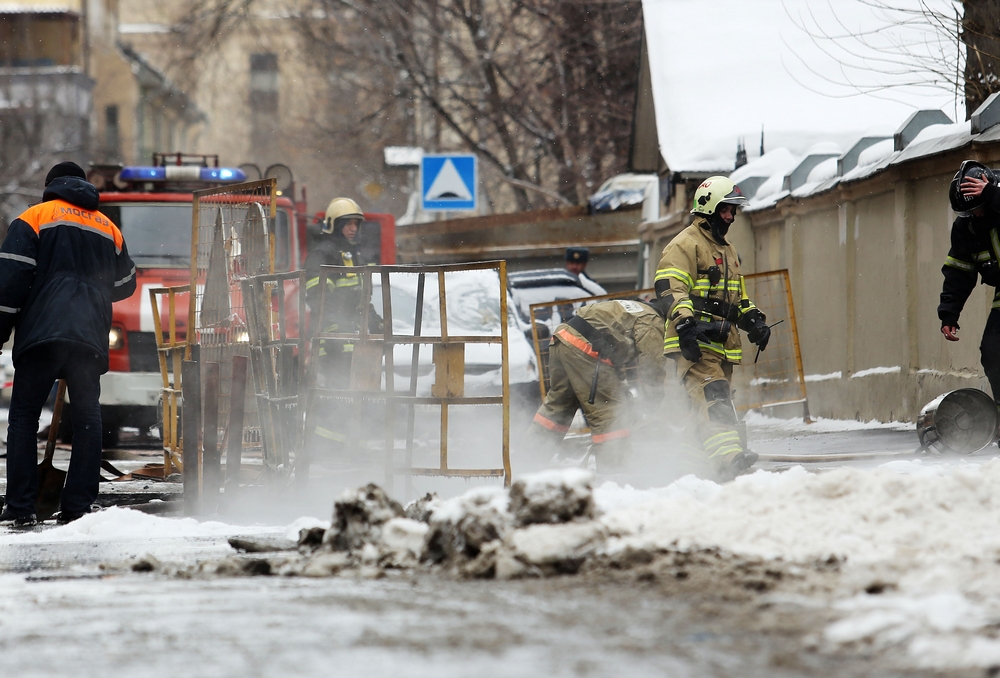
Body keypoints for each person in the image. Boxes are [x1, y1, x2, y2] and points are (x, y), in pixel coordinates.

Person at [0, 161, 136, 526]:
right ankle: (78, 506)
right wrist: (91, 287)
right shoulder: (108, 227)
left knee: (26, 417)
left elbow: (10, 281)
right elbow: (126, 284)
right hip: (89, 336)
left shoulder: (33, 218)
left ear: (51, 185)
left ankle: (22, 506)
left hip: (41, 335)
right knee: (88, 418)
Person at [654, 176, 769, 482]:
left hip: (722, 344)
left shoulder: (728, 250)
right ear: (708, 208)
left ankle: (689, 468)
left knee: (705, 405)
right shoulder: (684, 245)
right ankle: (729, 458)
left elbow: (736, 299)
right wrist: (685, 324)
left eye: (733, 211)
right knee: (714, 396)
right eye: (726, 210)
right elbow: (670, 289)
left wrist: (754, 320)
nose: (731, 217)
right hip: (695, 340)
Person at [526, 298, 666, 471]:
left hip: (562, 338)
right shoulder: (653, 320)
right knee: (611, 411)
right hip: (585, 348)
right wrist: (654, 397)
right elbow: (652, 363)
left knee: (559, 405)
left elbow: (612, 354)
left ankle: (527, 460)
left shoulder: (629, 309)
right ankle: (614, 471)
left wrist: (623, 389)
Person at [304, 197, 382, 452]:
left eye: (355, 223)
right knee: (337, 392)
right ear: (333, 224)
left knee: (356, 393)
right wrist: (332, 329)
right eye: (346, 223)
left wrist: (375, 321)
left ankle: (349, 446)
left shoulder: (356, 254)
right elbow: (318, 297)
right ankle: (325, 447)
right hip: (334, 339)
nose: (352, 228)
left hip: (355, 337)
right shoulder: (323, 252)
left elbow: (361, 297)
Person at [938, 160, 1000, 400]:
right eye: (970, 212)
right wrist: (949, 313)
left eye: (979, 208)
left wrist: (993, 196)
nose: (977, 215)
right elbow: (959, 271)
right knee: (993, 352)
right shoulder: (967, 227)